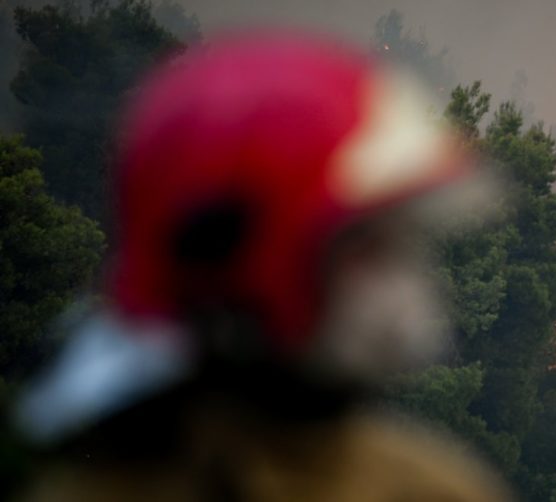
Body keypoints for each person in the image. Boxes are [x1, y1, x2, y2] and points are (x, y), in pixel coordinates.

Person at [13, 30, 509, 501]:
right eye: (367, 247)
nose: (405, 280)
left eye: (406, 240)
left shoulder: (429, 490)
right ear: (232, 257)